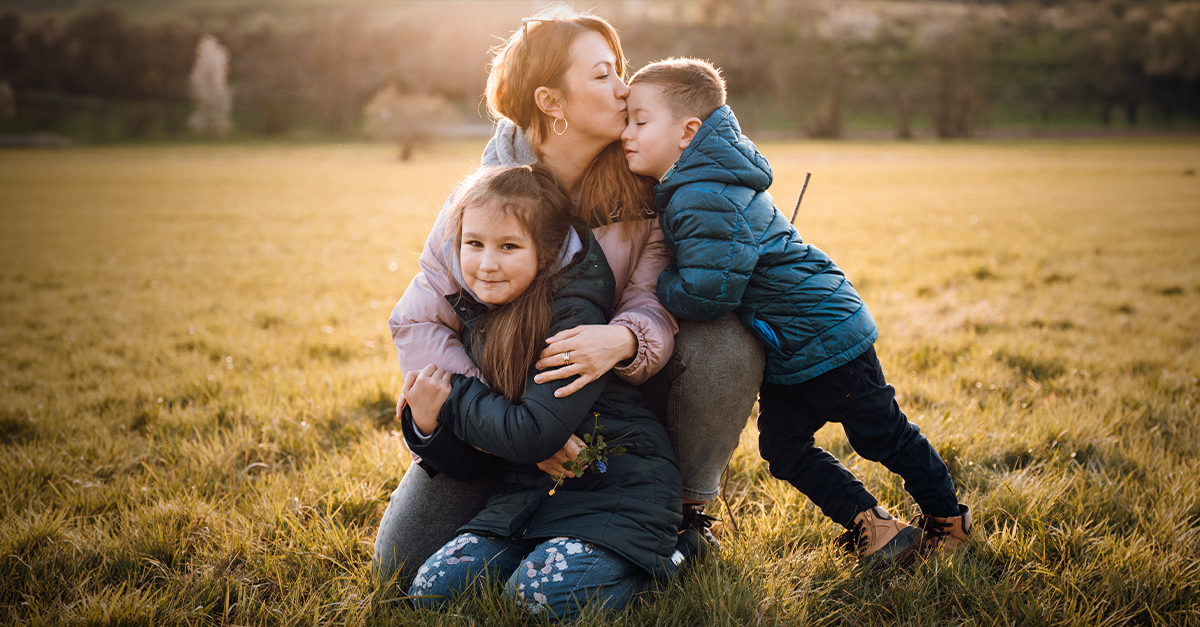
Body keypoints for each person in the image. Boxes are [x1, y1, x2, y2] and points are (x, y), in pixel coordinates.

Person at [376, 7, 763, 582]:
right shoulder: (486, 196)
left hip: (621, 409)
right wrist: (518, 427)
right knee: (401, 566)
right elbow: (420, 319)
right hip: (502, 402)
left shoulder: (647, 179)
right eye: (603, 75)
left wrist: (623, 339)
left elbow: (653, 295)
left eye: (620, 70)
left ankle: (681, 513)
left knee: (727, 338)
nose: (625, 88)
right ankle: (519, 518)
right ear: (552, 102)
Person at [619, 57, 972, 566]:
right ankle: (874, 525)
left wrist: (657, 281)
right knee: (783, 450)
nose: (626, 133)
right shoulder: (698, 184)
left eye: (639, 121)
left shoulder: (703, 194)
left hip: (823, 332)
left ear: (687, 131)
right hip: (789, 345)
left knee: (881, 434)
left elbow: (708, 293)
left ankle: (948, 519)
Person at [399, 165, 681, 621]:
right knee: (432, 592)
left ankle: (673, 557)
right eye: (474, 244)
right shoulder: (477, 312)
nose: (486, 264)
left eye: (508, 246)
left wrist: (450, 394)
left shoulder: (571, 314)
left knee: (538, 600)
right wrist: (428, 425)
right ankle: (544, 559)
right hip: (529, 496)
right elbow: (478, 462)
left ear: (547, 252)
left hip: (618, 489)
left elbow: (533, 436)